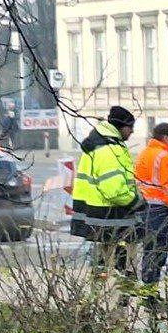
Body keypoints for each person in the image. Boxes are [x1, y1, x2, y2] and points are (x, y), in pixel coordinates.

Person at [69, 106, 141, 274]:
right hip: (115, 218)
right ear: (121, 126)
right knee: (122, 270)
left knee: (101, 270)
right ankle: (120, 300)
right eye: (130, 127)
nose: (132, 132)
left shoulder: (98, 144)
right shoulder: (109, 149)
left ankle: (100, 298)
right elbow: (114, 191)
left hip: (99, 216)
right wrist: (136, 200)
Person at [134, 122, 168, 306]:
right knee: (157, 254)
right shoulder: (164, 156)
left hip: (145, 208)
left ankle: (149, 294)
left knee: (150, 252)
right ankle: (151, 298)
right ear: (166, 138)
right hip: (160, 211)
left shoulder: (145, 153)